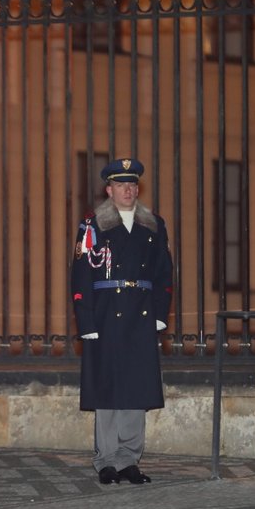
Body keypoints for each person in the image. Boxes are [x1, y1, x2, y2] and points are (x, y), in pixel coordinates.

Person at [71, 158, 173, 485]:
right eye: (120, 185)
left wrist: (159, 314)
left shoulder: (153, 224)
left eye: (132, 185)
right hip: (105, 315)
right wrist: (84, 320)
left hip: (140, 314)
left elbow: (164, 273)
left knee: (136, 389)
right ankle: (106, 460)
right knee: (108, 389)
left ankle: (130, 459)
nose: (128, 190)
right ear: (109, 189)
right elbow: (81, 275)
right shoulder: (92, 226)